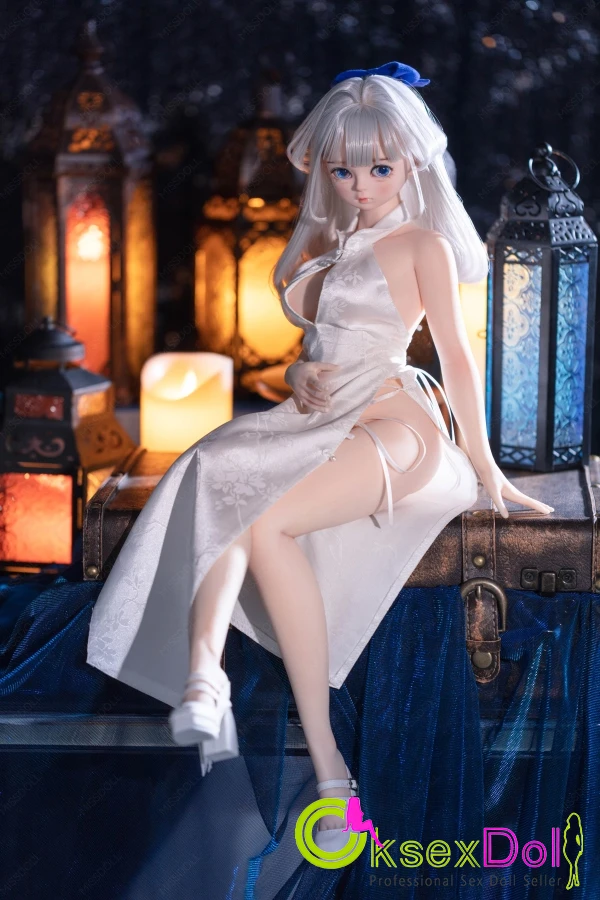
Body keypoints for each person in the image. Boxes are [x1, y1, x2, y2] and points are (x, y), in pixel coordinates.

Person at [86, 61, 553, 851]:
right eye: (344, 171)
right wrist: (299, 373)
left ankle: (321, 760)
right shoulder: (336, 239)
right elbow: (316, 344)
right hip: (326, 417)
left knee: (263, 519)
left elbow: (457, 356)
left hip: (398, 423)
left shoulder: (423, 245)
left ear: (412, 163)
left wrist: (485, 463)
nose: (361, 184)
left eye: (379, 168)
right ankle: (206, 680)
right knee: (212, 468)